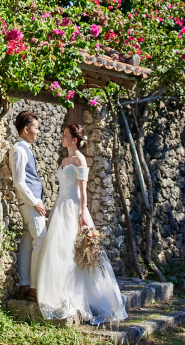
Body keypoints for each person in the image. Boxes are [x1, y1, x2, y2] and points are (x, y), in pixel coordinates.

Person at [35, 124, 127, 324]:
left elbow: (83, 190)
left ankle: (79, 296)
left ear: (74, 139)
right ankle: (59, 293)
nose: (63, 138)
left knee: (75, 251)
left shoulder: (80, 159)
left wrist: (83, 213)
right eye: (63, 135)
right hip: (60, 207)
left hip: (73, 208)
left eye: (66, 135)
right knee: (57, 250)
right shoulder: (64, 159)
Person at [10, 110, 46, 301]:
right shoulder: (18, 150)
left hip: (31, 202)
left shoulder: (25, 149)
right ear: (26, 129)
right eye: (36, 128)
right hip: (30, 204)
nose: (38, 132)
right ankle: (35, 287)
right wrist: (35, 203)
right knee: (41, 240)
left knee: (27, 243)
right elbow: (19, 182)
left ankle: (25, 283)